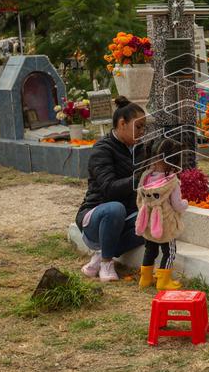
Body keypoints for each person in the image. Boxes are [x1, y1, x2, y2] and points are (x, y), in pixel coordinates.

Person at [77, 96, 150, 281]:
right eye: (138, 126)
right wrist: (138, 179)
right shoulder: (102, 149)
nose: (142, 132)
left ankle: (100, 256)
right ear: (122, 123)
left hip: (126, 216)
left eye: (144, 127)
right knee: (115, 208)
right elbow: (109, 189)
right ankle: (107, 263)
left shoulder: (141, 148)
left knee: (153, 219)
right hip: (96, 217)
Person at [135, 138, 189, 290]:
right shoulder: (172, 181)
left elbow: (139, 199)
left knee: (150, 249)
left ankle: (145, 279)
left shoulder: (145, 177)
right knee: (169, 252)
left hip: (148, 222)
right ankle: (163, 281)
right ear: (174, 160)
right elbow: (177, 205)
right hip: (166, 224)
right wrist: (185, 204)